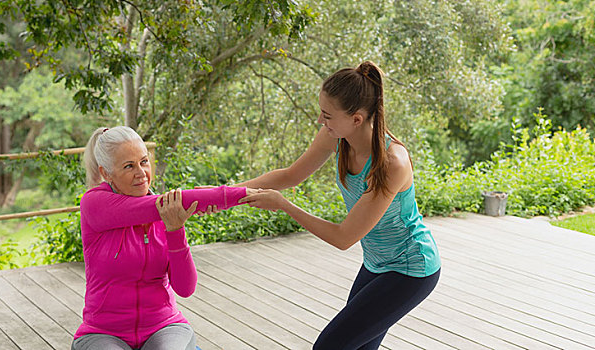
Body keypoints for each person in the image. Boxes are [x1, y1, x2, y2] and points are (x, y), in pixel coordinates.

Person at [237, 61, 441, 349]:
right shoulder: (336, 136)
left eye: (327, 115)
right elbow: (290, 175)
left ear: (356, 119)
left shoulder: (392, 162)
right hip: (376, 263)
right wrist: (227, 194)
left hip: (410, 269)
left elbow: (344, 237)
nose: (321, 121)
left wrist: (284, 205)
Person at [73, 126, 252, 350]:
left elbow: (186, 288)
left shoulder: (165, 213)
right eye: (129, 166)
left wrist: (175, 230)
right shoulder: (94, 203)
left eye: (144, 161)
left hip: (163, 326)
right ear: (106, 173)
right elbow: (175, 202)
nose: (141, 173)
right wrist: (242, 195)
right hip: (103, 333)